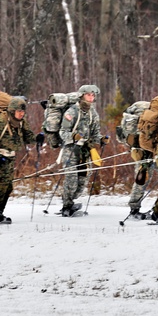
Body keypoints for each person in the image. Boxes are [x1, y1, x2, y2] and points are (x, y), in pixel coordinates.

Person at [0, 96, 38, 224]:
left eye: (23, 111)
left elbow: (28, 136)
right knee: (2, 183)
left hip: (10, 156)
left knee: (8, 186)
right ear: (12, 111)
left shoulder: (21, 121)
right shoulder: (1, 121)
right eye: (19, 111)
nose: (21, 114)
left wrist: (37, 139)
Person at [58, 84, 102, 217]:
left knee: (83, 179)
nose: (91, 97)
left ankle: (71, 200)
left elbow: (95, 132)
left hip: (85, 150)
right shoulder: (72, 112)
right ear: (82, 95)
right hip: (71, 150)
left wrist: (101, 139)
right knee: (71, 177)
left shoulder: (92, 112)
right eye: (89, 94)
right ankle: (66, 205)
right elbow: (62, 132)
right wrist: (73, 136)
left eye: (93, 95)